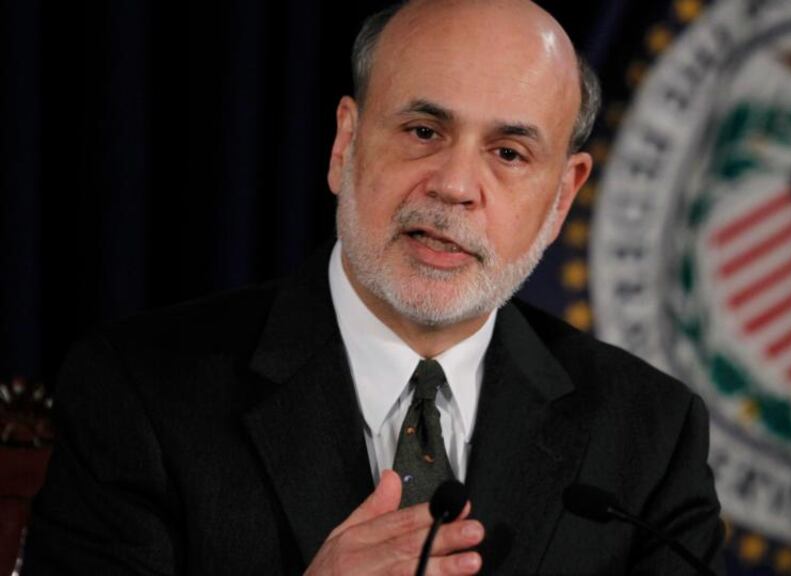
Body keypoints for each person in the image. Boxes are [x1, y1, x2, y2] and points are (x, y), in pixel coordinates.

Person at [24, 0, 724, 574]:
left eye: (508, 154)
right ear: (344, 144)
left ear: (562, 198)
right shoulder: (140, 393)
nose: (453, 186)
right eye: (423, 131)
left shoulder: (649, 436)